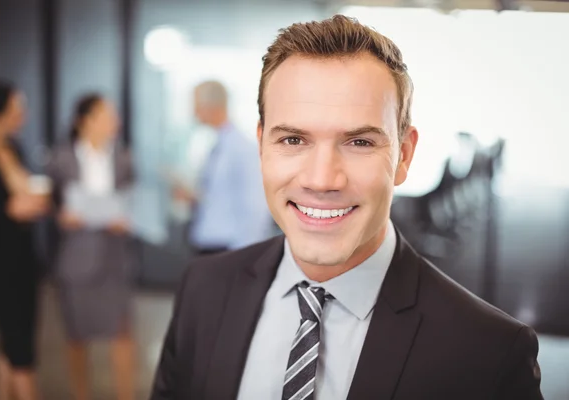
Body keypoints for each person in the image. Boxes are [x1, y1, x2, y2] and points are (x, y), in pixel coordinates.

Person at [150, 15, 542, 400]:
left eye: (359, 143)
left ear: (404, 155)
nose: (321, 180)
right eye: (292, 140)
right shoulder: (203, 290)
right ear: (262, 145)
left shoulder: (489, 353)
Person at [46, 94, 136, 400]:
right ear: (84, 121)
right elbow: (50, 202)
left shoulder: (123, 158)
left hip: (114, 258)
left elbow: (132, 201)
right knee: (76, 338)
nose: (115, 122)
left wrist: (128, 218)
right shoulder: (61, 159)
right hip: (76, 259)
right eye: (107, 116)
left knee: (122, 336)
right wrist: (61, 215)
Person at [0, 81, 47, 400]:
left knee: (12, 337)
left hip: (22, 257)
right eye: (17, 109)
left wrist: (29, 204)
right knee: (18, 341)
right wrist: (8, 211)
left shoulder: (14, 147)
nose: (23, 116)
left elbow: (25, 192)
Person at [174, 80, 274, 256]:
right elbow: (219, 196)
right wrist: (194, 198)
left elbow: (256, 206)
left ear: (212, 106)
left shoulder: (242, 149)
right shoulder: (217, 144)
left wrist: (245, 256)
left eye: (196, 105)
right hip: (209, 243)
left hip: (229, 248)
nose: (194, 112)